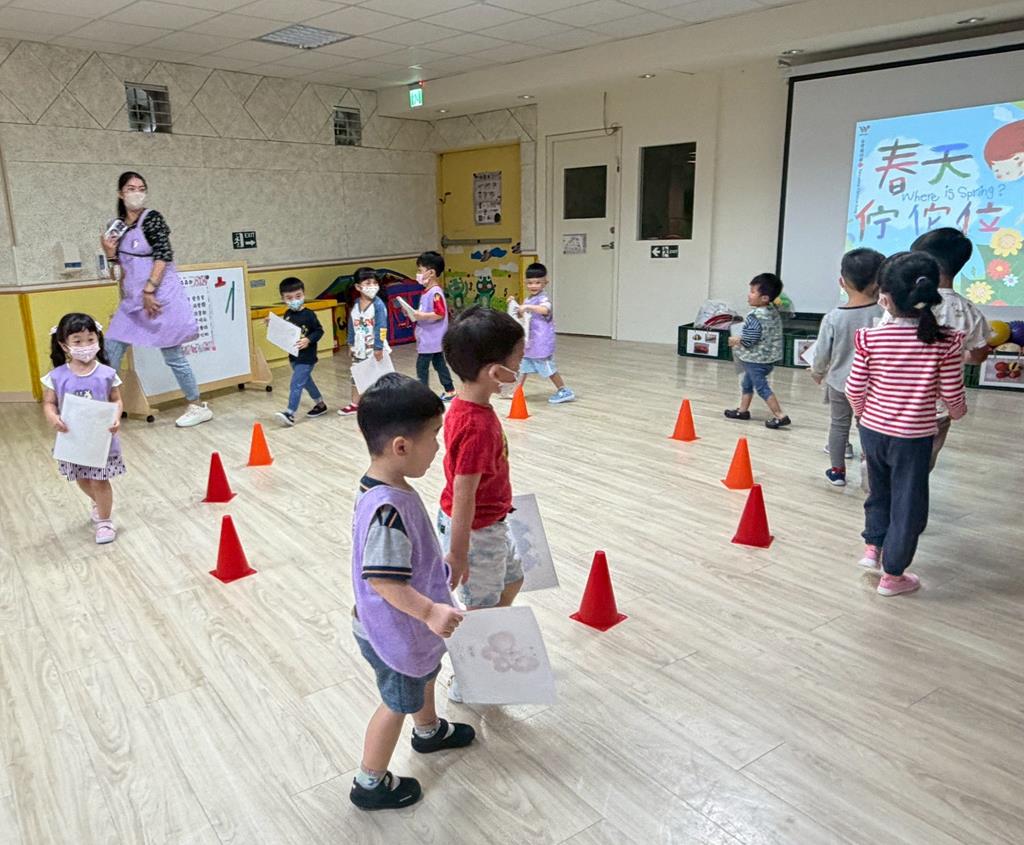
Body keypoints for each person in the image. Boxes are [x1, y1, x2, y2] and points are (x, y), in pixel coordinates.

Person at [350, 373, 475, 811]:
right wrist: (428, 611)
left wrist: (436, 571)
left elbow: (403, 560)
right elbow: (384, 579)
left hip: (403, 624)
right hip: (394, 628)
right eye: (434, 436)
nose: (439, 447)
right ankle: (369, 782)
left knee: (423, 675)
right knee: (396, 702)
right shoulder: (388, 508)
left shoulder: (384, 486)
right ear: (401, 446)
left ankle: (428, 731)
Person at [846, 252, 967, 597]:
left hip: (872, 430)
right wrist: (958, 412)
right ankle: (893, 575)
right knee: (908, 502)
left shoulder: (869, 338)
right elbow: (952, 392)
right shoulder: (947, 341)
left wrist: (863, 414)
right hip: (913, 437)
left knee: (879, 490)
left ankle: (873, 547)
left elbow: (854, 388)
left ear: (884, 298)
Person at [437, 305, 525, 703]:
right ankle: (469, 679)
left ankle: (489, 636)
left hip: (489, 524)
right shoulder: (477, 425)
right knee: (481, 607)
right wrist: (458, 554)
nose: (520, 367)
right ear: (495, 372)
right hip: (476, 532)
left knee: (513, 579)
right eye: (517, 360)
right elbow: (464, 494)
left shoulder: (467, 407)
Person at [100, 171, 212, 428]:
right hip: (131, 302)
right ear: (120, 194)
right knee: (111, 349)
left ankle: (197, 405)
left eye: (141, 188)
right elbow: (116, 273)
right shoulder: (116, 227)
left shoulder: (153, 219)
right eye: (131, 188)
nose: (137, 193)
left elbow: (163, 255)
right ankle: (105, 407)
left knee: (173, 354)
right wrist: (110, 254)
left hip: (160, 298)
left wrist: (149, 291)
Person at [906, 227, 991, 469]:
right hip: (938, 409)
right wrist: (956, 356)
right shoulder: (969, 311)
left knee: (892, 456)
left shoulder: (905, 304)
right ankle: (914, 488)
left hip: (897, 401)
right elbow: (979, 356)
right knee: (925, 461)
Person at [41, 313, 125, 545]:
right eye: (77, 341)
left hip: (101, 440)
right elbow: (49, 403)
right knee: (82, 478)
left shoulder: (107, 374)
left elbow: (116, 400)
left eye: (90, 339)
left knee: (99, 481)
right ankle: (97, 501)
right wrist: (53, 417)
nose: (85, 345)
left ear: (98, 339)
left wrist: (116, 417)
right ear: (64, 345)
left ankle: (105, 521)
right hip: (73, 440)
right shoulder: (56, 376)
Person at [809, 248, 885, 486]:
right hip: (874, 386)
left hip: (840, 382)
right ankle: (869, 469)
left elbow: (821, 353)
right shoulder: (886, 314)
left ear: (842, 282)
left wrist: (817, 372)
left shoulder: (833, 317)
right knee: (867, 426)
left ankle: (837, 471)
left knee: (839, 424)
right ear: (880, 282)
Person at [725, 273, 790, 428]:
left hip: (755, 360)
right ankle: (743, 411)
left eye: (753, 292)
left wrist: (736, 340)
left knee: (762, 388)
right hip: (768, 358)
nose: (749, 295)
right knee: (747, 383)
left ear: (765, 298)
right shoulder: (772, 311)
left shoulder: (754, 316)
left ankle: (780, 415)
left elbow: (749, 339)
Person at [516, 262, 576, 405]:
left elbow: (545, 309)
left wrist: (528, 307)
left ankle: (563, 390)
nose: (533, 286)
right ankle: (517, 390)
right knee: (524, 365)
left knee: (547, 367)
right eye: (530, 283)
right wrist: (517, 307)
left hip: (541, 341)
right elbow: (523, 315)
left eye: (538, 282)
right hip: (530, 340)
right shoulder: (528, 299)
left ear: (545, 283)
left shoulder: (543, 298)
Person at [273, 277, 327, 426]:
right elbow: (285, 331)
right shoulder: (287, 314)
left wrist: (308, 340)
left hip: (307, 357)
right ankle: (320, 404)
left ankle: (290, 413)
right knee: (307, 382)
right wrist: (272, 324)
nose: (294, 300)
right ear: (283, 299)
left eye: (298, 296)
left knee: (296, 383)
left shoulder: (309, 314)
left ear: (303, 294)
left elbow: (319, 331)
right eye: (289, 298)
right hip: (294, 356)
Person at [340, 267, 388, 417]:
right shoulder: (355, 304)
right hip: (359, 347)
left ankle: (382, 405)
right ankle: (355, 403)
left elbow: (382, 327)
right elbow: (351, 325)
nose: (372, 286)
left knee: (378, 377)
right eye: (368, 283)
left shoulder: (378, 305)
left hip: (374, 347)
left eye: (375, 283)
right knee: (356, 375)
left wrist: (378, 347)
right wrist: (350, 343)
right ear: (358, 287)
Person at [411, 251, 456, 401]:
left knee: (422, 367)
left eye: (420, 270)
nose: (418, 274)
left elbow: (440, 313)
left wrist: (421, 316)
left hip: (431, 338)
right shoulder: (427, 292)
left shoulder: (435, 293)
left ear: (431, 273)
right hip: (430, 338)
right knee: (439, 364)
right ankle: (450, 390)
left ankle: (423, 394)